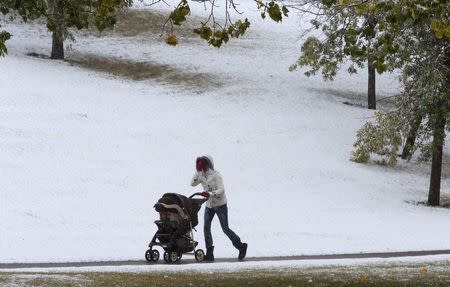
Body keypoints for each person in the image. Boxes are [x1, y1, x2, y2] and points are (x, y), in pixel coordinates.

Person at [191, 155, 247, 261]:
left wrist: (210, 194)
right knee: (206, 228)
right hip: (209, 205)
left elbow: (221, 190)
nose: (201, 167)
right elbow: (192, 184)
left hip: (220, 205)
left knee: (225, 228)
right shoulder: (201, 175)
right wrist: (197, 172)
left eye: (202, 164)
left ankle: (241, 246)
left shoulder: (216, 175)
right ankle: (209, 252)